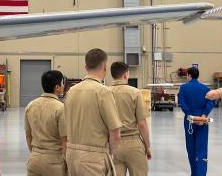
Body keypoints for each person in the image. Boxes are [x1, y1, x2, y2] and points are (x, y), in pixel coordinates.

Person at [64, 48, 122, 176]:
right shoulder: (103, 92)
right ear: (105, 67)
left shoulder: (71, 91)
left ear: (86, 67)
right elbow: (116, 134)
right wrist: (108, 154)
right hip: (94, 158)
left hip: (72, 156)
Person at [108, 61, 151, 176]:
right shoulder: (135, 93)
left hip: (112, 145)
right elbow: (142, 124)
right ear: (126, 75)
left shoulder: (104, 93)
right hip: (133, 144)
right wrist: (147, 145)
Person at [24, 70, 67, 176]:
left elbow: (28, 136)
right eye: (62, 83)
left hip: (34, 160)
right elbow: (65, 141)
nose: (63, 85)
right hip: (54, 163)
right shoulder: (60, 108)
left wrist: (35, 153)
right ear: (57, 87)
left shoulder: (30, 105)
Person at [178, 66, 214, 176]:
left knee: (191, 148)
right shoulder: (205, 89)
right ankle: (201, 174)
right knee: (202, 147)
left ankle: (194, 173)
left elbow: (182, 103)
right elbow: (210, 103)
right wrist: (203, 116)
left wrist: (191, 116)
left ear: (189, 75)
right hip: (203, 121)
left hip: (189, 121)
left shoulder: (183, 88)